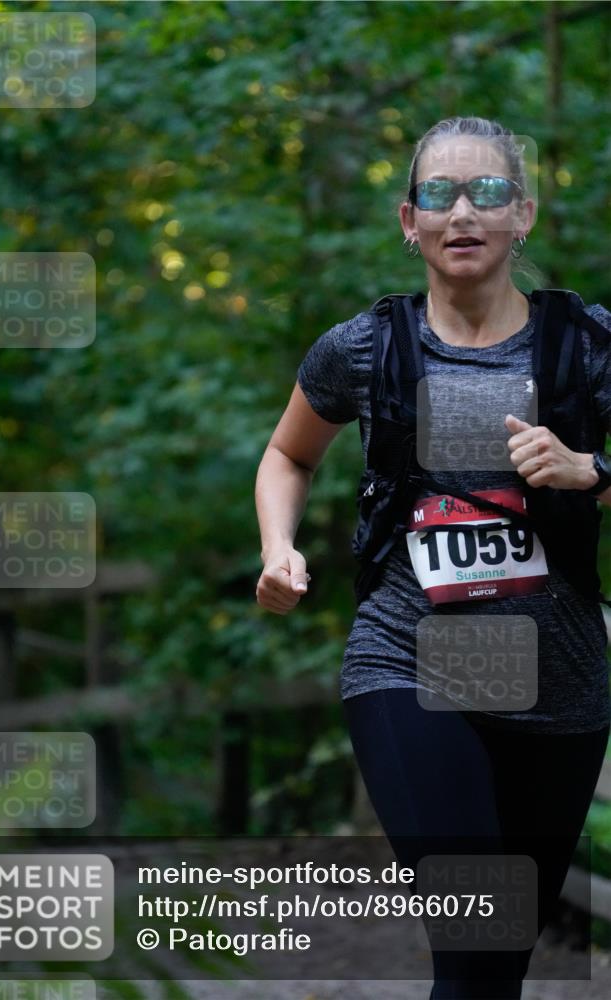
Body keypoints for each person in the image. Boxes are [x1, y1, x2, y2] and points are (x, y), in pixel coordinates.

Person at [254, 116, 611, 999]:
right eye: (439, 194)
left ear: (520, 214)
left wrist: (588, 470)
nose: (464, 211)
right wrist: (277, 546)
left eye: (487, 192)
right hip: (407, 659)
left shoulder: (585, 346)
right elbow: (288, 454)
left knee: (495, 970)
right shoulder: (366, 348)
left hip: (557, 679)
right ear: (406, 220)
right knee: (475, 937)